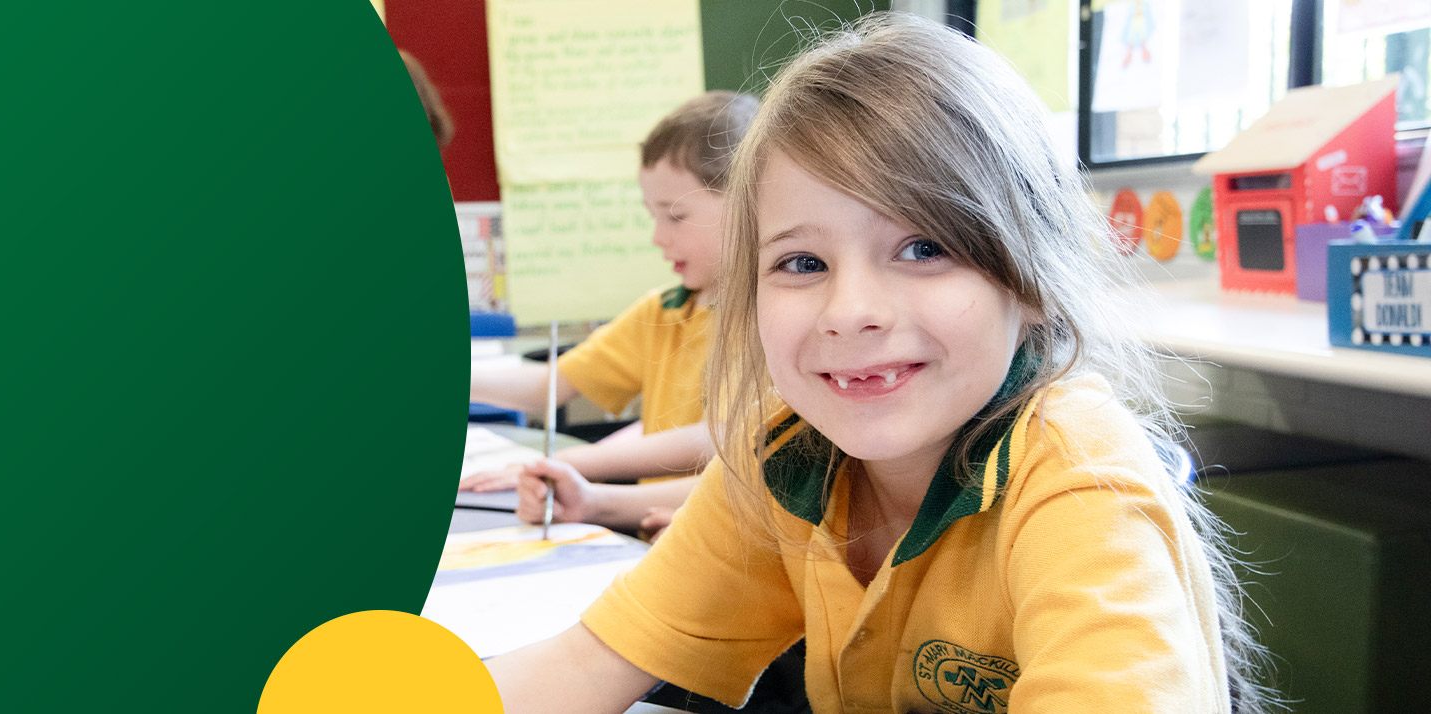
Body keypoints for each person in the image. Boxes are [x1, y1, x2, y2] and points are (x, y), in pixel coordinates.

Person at [487, 13, 1274, 714]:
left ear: (1032, 280)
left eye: (924, 248)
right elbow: (586, 665)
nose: (849, 311)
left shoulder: (1079, 481)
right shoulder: (784, 456)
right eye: (801, 264)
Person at [463, 91, 759, 491]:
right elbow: (550, 385)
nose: (657, 237)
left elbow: (719, 437)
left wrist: (573, 463)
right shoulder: (665, 311)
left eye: (675, 216)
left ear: (748, 200)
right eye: (651, 216)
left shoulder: (768, 318)